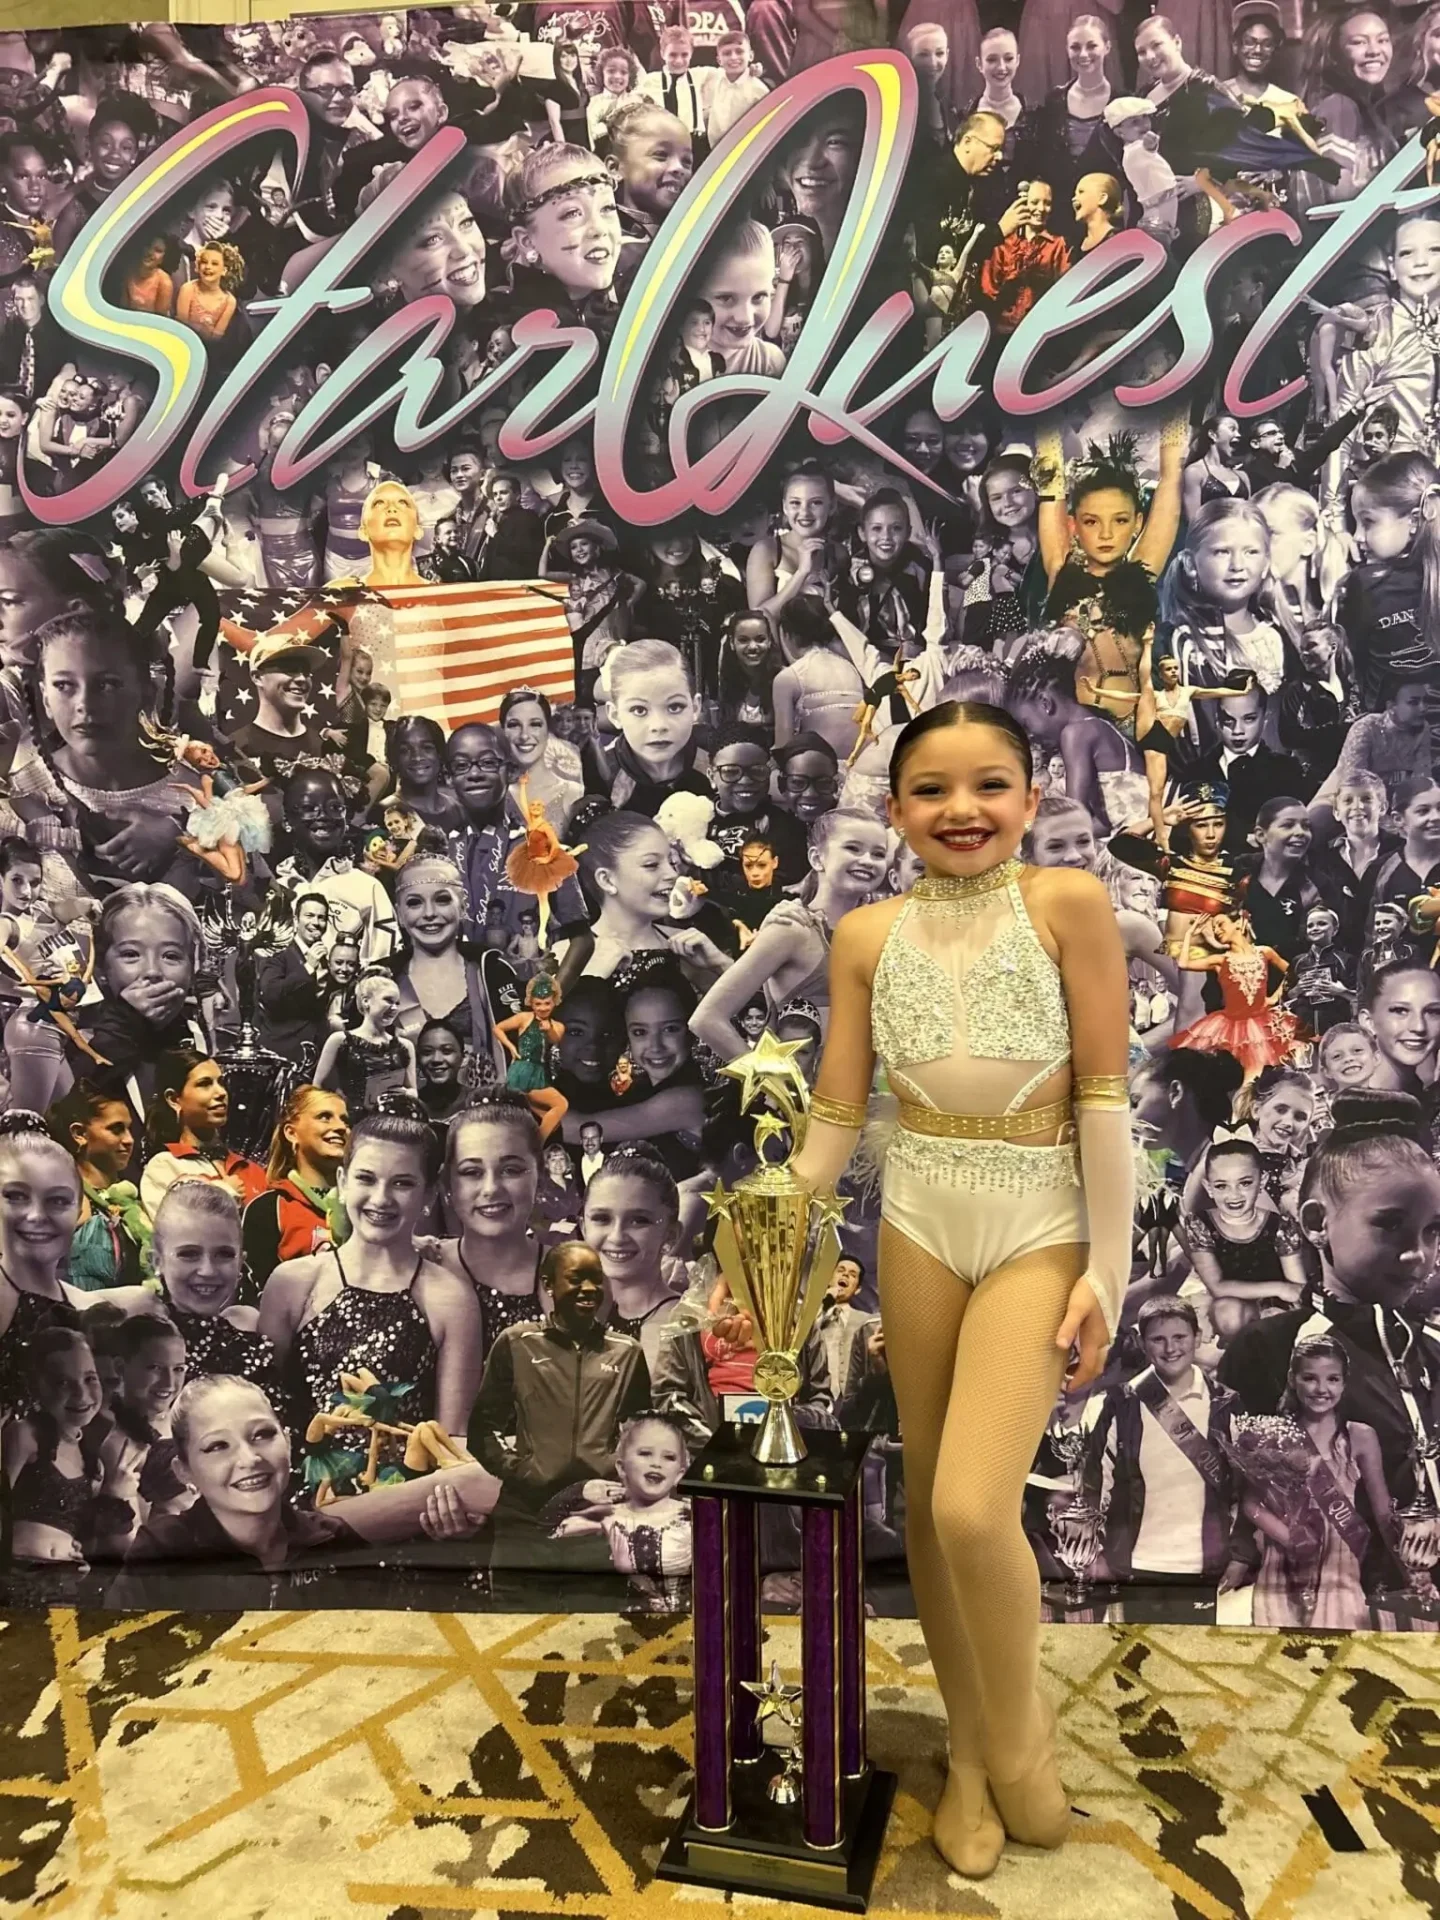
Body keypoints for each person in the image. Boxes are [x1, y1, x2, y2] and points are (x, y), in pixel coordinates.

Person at [788, 699, 1133, 1876]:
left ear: (1032, 800)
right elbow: (839, 1110)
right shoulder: (864, 935)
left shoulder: (1069, 906)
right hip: (918, 1216)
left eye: (990, 785)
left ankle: (1018, 1742)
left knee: (975, 1510)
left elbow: (1104, 1095)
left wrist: (1110, 1270)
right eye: (931, 790)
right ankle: (975, 1764)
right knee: (931, 1501)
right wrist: (777, 1213)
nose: (962, 809)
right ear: (894, 812)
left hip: (1039, 1218)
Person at [107, 1374, 500, 1607]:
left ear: (289, 1443)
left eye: (262, 1435)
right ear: (185, 1470)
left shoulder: (331, 1540)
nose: (248, 1459)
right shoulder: (161, 1554)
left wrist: (455, 1543)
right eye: (217, 1446)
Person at [258, 1109, 482, 1440]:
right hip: (294, 1481)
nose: (381, 1199)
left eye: (402, 1183)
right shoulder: (291, 1283)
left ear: (429, 1195)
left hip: (405, 1489)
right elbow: (260, 1416)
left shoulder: (451, 1299)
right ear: (342, 1183)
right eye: (366, 1178)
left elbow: (453, 1439)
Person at [1090, 1295, 1241, 1584]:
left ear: (1197, 1338)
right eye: (1158, 1339)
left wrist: (1241, 1556)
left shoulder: (1226, 1403)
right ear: (1142, 1342)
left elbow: (1243, 1489)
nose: (1170, 1348)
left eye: (1180, 1337)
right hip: (1133, 1564)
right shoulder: (1122, 1402)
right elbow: (1096, 1480)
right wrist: (1094, 1551)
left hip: (1206, 1565)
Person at [138, 1049, 266, 1220]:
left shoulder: (251, 1170)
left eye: (221, 1082)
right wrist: (222, 1194)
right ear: (174, 1099)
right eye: (204, 1084)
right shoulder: (164, 1166)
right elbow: (170, 1231)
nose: (221, 1093)